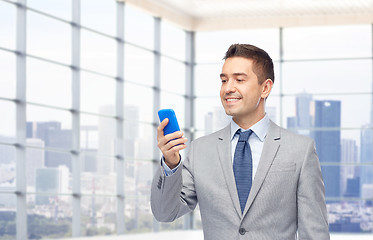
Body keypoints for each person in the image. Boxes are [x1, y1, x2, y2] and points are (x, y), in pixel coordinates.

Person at [151, 44, 330, 240]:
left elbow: (315, 233)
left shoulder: (300, 150)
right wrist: (170, 163)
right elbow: (165, 213)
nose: (228, 88)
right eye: (224, 80)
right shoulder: (200, 150)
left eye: (239, 79)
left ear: (265, 88)